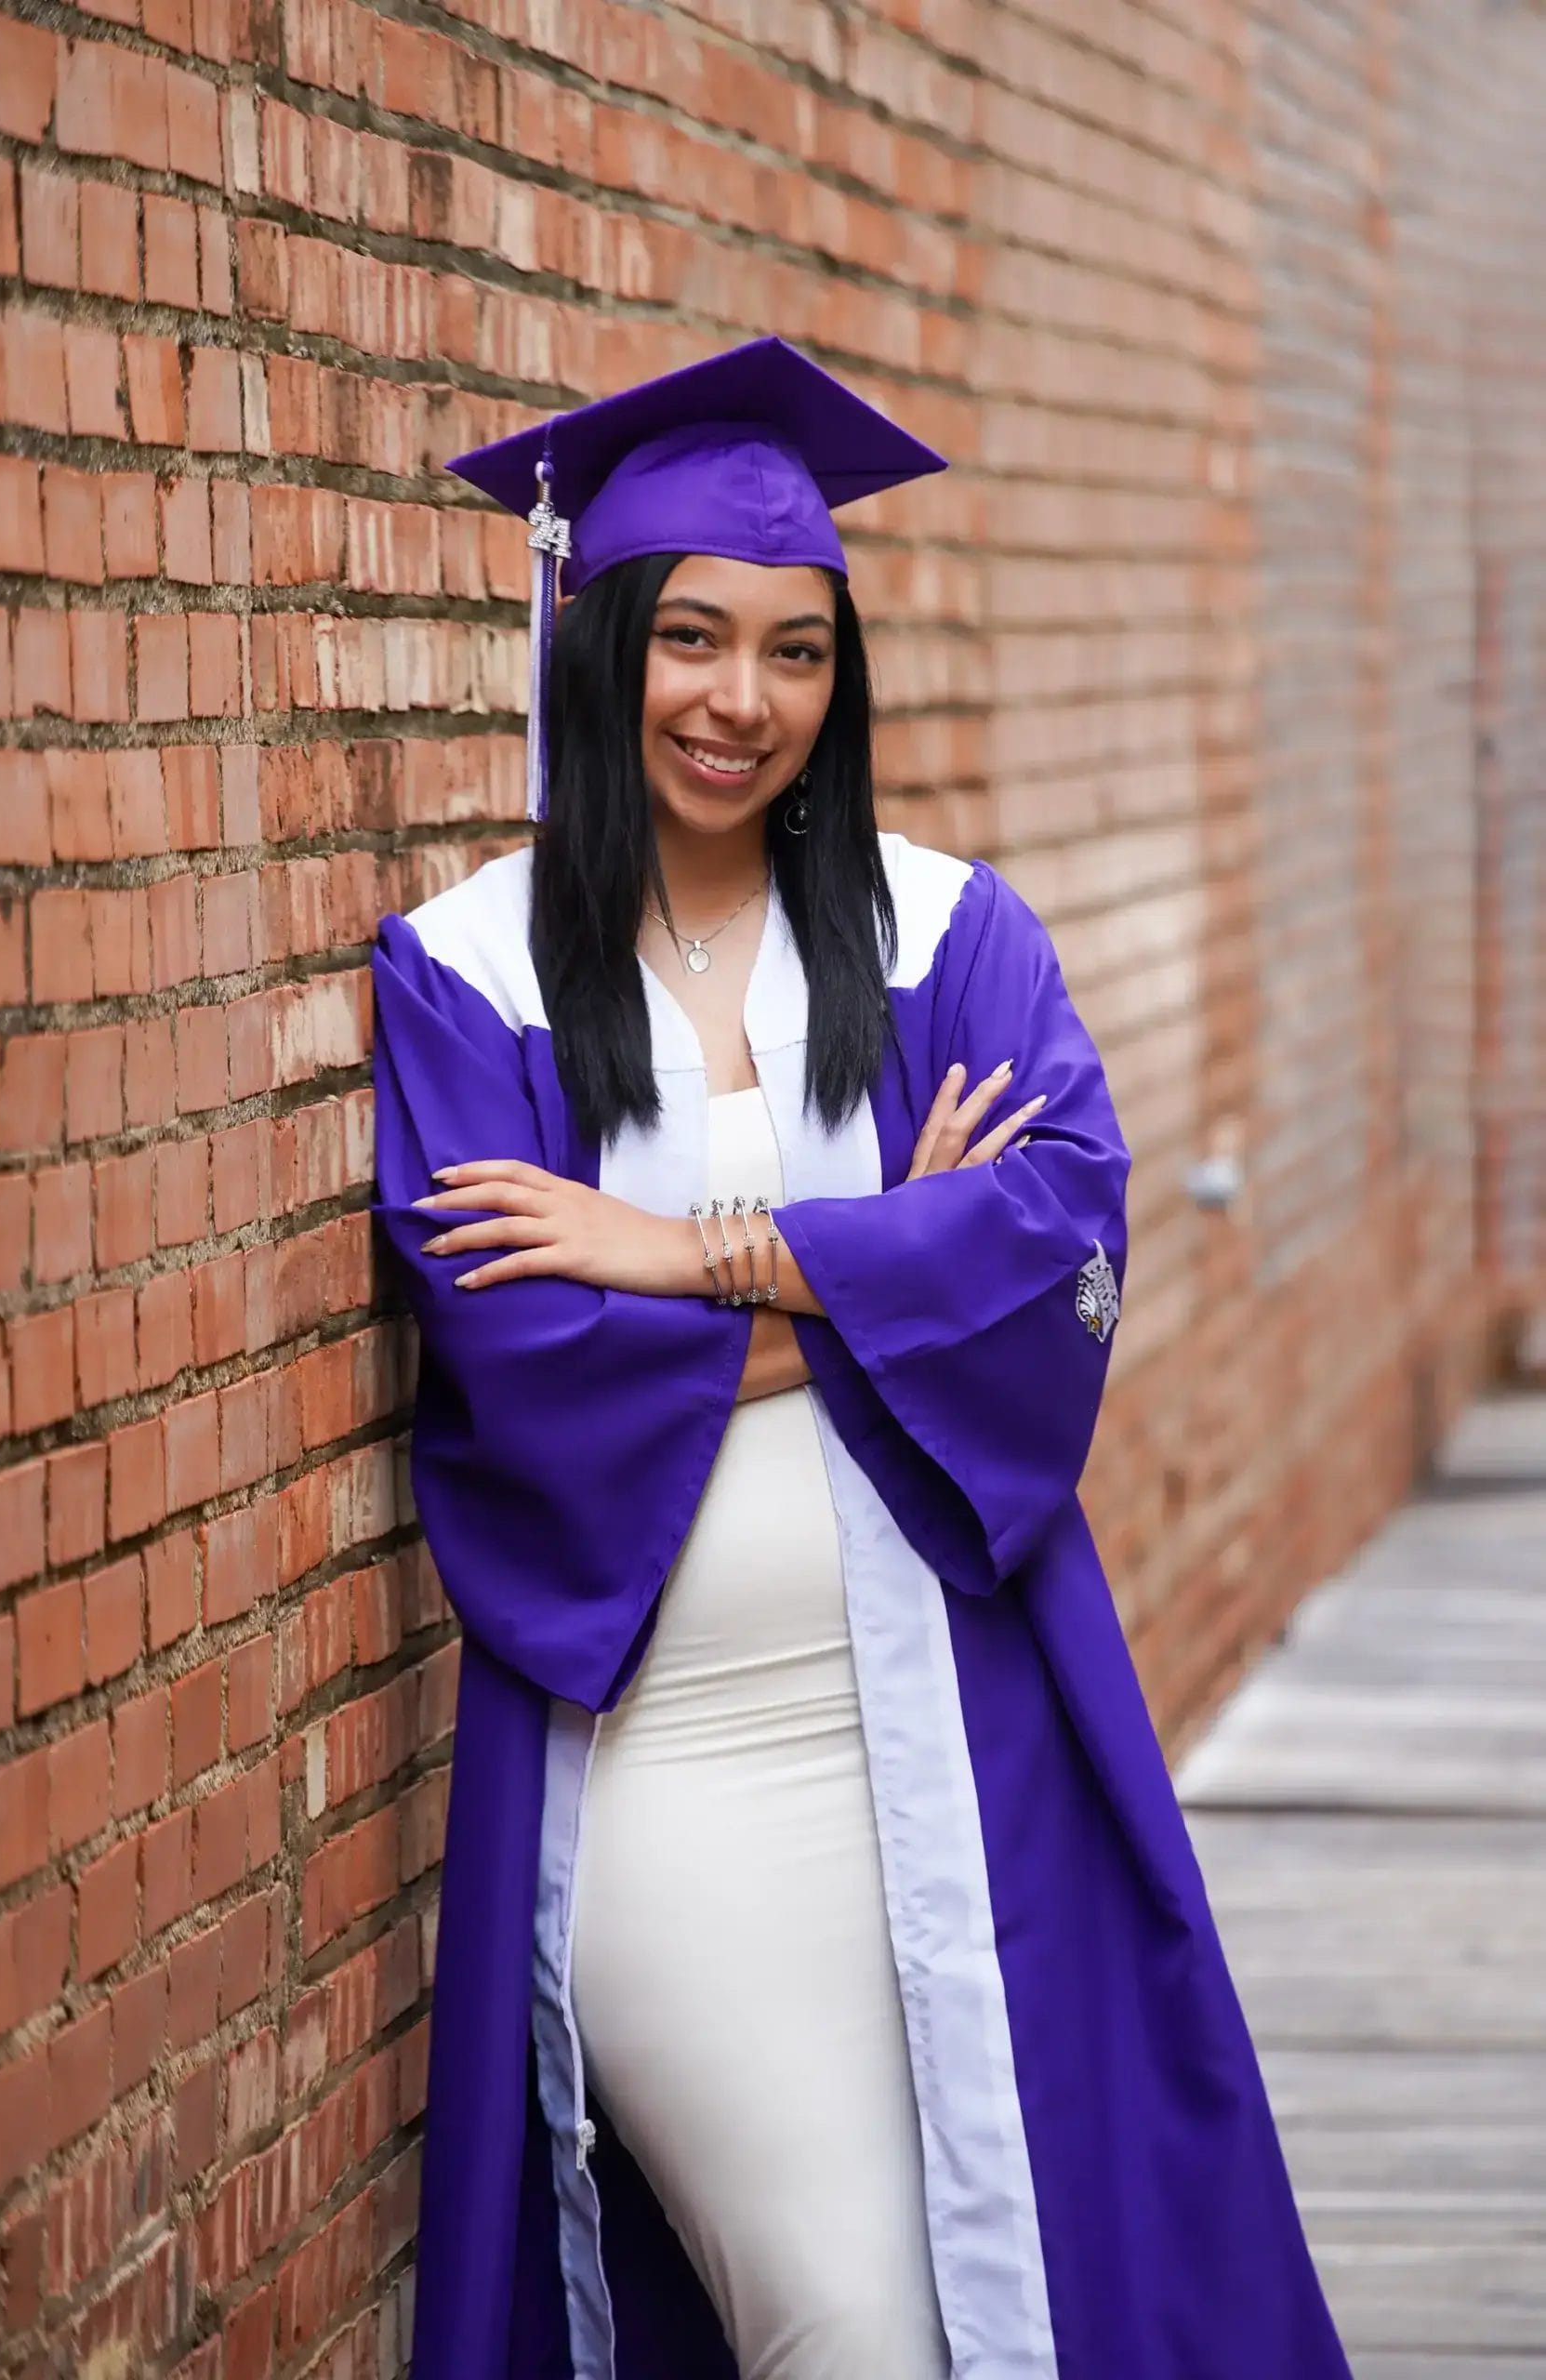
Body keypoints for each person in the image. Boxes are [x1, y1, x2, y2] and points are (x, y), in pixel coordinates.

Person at [369, 337, 1350, 2380]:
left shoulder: (939, 932)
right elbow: (516, 1358)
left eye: (797, 652)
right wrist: (869, 1268)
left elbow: (1057, 1233)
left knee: (1011, 2289)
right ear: (602, 636)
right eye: (694, 640)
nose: (743, 702)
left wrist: (684, 1251)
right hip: (656, 1768)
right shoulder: (467, 967)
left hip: (955, 1734)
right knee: (856, 2320)